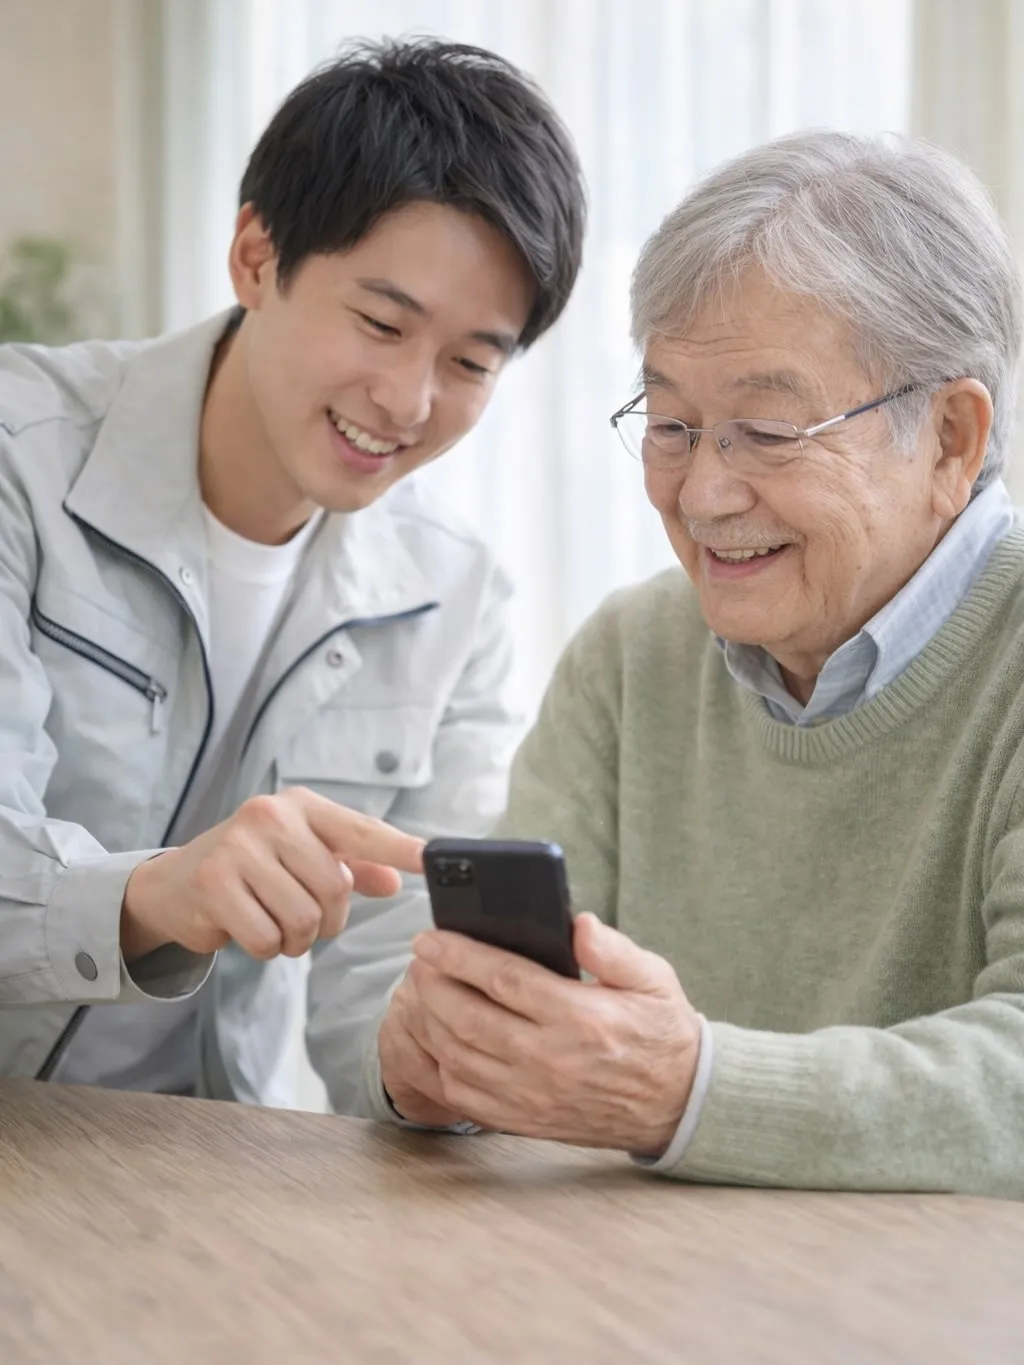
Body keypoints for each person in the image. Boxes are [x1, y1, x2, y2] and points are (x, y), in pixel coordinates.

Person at [352, 130, 1024, 1197]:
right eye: (670, 423)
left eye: (764, 429)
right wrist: (436, 1064)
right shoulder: (632, 658)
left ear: (947, 438)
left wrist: (691, 1091)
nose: (703, 494)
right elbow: (500, 1033)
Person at [0, 37, 585, 1102]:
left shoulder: (452, 601)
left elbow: (383, 980)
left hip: (209, 1181)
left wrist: (454, 1058)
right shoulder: (18, 456)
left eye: (468, 364)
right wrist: (154, 894)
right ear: (255, 257)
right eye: (379, 323)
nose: (408, 403)